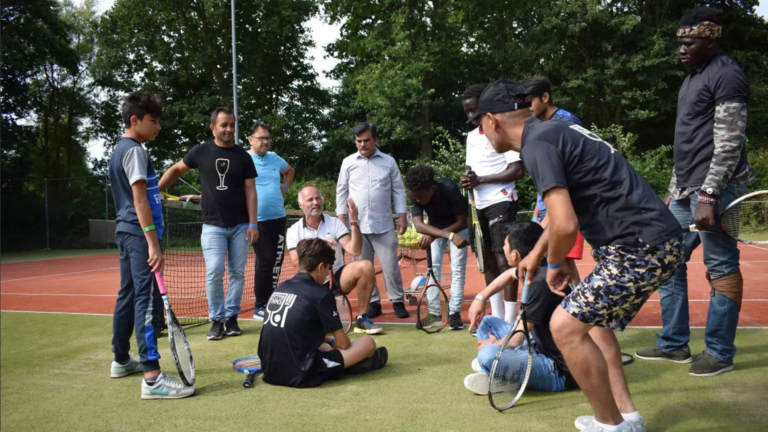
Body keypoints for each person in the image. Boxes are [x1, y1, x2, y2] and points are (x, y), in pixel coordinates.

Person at [471, 79, 684, 431]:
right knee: (591, 323)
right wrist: (538, 254)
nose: (482, 134)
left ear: (492, 120)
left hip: (636, 247)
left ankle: (611, 425)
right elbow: (557, 217)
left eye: (480, 126)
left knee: (564, 327)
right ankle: (626, 416)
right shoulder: (554, 131)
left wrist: (553, 263)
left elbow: (566, 224)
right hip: (654, 241)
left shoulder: (536, 146)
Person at [636, 6, 756, 377]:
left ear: (710, 39)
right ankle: (674, 344)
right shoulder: (693, 77)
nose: (682, 49)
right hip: (687, 188)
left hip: (717, 189)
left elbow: (729, 143)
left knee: (721, 267)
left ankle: (720, 352)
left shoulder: (727, 75)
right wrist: (675, 190)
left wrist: (708, 194)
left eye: (689, 42)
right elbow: (688, 142)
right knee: (667, 258)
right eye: (679, 42)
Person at [108, 91, 194, 399]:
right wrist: (152, 243)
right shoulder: (135, 151)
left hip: (126, 231)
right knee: (145, 299)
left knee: (128, 294)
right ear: (135, 120)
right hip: (138, 233)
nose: (158, 126)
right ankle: (152, 378)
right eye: (153, 120)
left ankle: (120, 359)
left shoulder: (120, 149)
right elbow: (140, 198)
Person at [159, 107, 258, 341]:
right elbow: (175, 169)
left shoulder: (243, 156)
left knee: (237, 274)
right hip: (212, 226)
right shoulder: (200, 151)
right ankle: (216, 320)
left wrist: (253, 223)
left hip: (241, 226)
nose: (229, 129)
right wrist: (157, 189)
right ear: (213, 127)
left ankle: (231, 318)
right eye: (224, 125)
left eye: (232, 125)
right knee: (214, 272)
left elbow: (251, 191)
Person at [463, 222, 578, 395]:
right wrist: (480, 298)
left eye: (505, 246)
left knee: (487, 355)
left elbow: (516, 339)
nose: (502, 248)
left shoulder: (542, 283)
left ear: (515, 255)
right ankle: (500, 371)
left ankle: (501, 376)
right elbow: (509, 275)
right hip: (537, 345)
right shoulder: (538, 266)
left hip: (558, 370)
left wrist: (492, 344)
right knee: (487, 322)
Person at [258, 238, 388, 388]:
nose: (327, 274)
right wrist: (335, 343)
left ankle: (342, 363)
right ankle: (349, 364)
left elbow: (292, 328)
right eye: (327, 269)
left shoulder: (281, 287)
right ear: (320, 267)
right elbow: (343, 344)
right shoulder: (322, 294)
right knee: (368, 343)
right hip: (301, 373)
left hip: (268, 369)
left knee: (323, 346)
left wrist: (327, 341)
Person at [461, 84, 526, 329]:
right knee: (487, 261)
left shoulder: (501, 130)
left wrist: (481, 180)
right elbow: (472, 169)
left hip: (501, 200)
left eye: (474, 111)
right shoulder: (470, 137)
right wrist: (468, 179)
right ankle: (497, 319)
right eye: (467, 112)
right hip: (478, 204)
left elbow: (517, 170)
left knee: (504, 260)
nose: (470, 117)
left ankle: (510, 321)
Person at [336, 122, 410, 319]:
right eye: (359, 141)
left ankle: (397, 301)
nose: (362, 144)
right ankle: (374, 303)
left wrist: (402, 215)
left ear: (375, 140)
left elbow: (398, 190)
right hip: (356, 227)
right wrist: (341, 218)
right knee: (362, 268)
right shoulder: (348, 162)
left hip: (383, 223)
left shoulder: (389, 162)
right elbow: (341, 190)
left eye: (366, 140)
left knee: (391, 267)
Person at [286, 185, 382, 334]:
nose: (315, 202)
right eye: (310, 199)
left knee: (366, 266)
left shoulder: (335, 223)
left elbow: (355, 249)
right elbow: (297, 265)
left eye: (318, 198)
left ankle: (362, 318)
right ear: (300, 205)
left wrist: (354, 222)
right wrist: (319, 246)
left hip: (335, 275)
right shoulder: (293, 231)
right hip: (309, 281)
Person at [524, 75, 586, 287]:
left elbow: (566, 175)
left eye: (531, 101)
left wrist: (550, 217)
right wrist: (536, 211)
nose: (528, 108)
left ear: (545, 97)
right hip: (546, 208)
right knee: (559, 261)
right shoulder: (539, 124)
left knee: (562, 260)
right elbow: (546, 175)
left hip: (560, 209)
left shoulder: (566, 122)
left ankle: (580, 307)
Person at [404, 165, 469, 330]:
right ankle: (434, 314)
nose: (418, 200)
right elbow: (418, 225)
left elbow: (462, 221)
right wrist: (443, 235)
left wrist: (445, 235)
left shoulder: (449, 189)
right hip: (438, 229)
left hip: (458, 228)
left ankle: (454, 313)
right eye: (415, 197)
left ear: (432, 188)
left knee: (457, 269)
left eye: (422, 197)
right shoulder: (415, 193)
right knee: (433, 269)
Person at [247, 121, 295, 321]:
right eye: (261, 138)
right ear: (250, 140)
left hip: (279, 218)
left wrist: (284, 188)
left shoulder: (275, 158)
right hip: (257, 221)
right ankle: (260, 305)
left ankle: (269, 301)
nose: (266, 142)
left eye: (268, 138)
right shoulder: (244, 158)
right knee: (265, 261)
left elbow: (290, 171)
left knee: (276, 261)